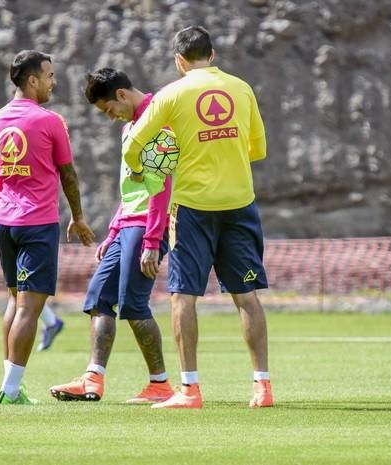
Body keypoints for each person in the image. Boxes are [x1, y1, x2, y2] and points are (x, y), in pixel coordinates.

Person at [122, 26, 273, 408]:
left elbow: (132, 147)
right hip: (240, 202)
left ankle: (189, 389)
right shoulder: (242, 88)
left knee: (183, 296)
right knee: (247, 296)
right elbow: (258, 150)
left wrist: (146, 171)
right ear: (213, 53)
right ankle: (262, 387)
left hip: (193, 208)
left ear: (179, 61)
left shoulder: (172, 93)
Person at [48, 68, 174, 404]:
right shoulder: (129, 128)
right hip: (127, 226)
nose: (110, 117)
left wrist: (151, 240)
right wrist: (113, 230)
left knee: (133, 306)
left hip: (147, 225)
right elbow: (130, 189)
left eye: (108, 109)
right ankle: (93, 379)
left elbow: (161, 187)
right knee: (99, 299)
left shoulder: (157, 120)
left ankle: (160, 384)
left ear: (121, 94)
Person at [0, 50, 95, 405]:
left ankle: (9, 384)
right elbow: (68, 174)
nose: (53, 82)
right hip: (38, 223)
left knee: (15, 301)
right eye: (49, 76)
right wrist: (77, 215)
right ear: (32, 80)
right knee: (31, 308)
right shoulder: (50, 121)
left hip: (5, 223)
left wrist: (12, 197)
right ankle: (11, 390)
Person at [0, 193, 65, 352]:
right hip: (9, 220)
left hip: (24, 221)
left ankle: (51, 322)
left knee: (20, 294)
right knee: (18, 293)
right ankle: (51, 322)